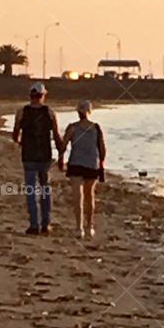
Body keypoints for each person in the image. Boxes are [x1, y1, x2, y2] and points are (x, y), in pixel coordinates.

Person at [11, 82, 63, 235]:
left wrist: (22, 143)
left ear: (30, 95)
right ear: (43, 96)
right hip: (45, 155)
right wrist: (61, 152)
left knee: (31, 191)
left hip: (28, 155)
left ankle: (34, 224)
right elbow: (56, 136)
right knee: (45, 190)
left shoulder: (21, 112)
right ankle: (46, 224)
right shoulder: (50, 112)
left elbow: (15, 135)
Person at [62, 100, 106, 240]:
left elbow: (63, 146)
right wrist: (101, 163)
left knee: (77, 197)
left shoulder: (72, 128)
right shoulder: (96, 128)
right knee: (89, 196)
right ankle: (89, 227)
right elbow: (102, 149)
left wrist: (61, 159)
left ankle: (78, 228)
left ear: (78, 112)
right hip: (91, 165)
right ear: (89, 111)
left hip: (75, 164)